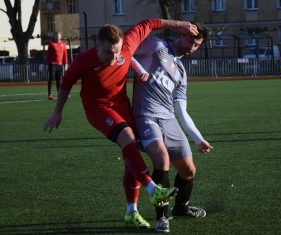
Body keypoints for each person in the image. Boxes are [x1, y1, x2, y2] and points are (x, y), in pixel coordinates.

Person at [43, 19, 199, 229]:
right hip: (98, 108)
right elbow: (65, 84)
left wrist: (178, 24)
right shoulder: (83, 60)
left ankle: (131, 212)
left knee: (131, 152)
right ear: (97, 46)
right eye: (108, 52)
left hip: (122, 106)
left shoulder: (128, 43)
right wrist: (57, 112)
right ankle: (153, 189)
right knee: (127, 137)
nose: (115, 57)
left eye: (117, 52)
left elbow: (151, 23)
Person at [129, 21, 213, 233]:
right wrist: (138, 68)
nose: (192, 46)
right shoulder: (156, 47)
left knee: (189, 171)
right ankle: (162, 218)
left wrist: (198, 138)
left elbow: (181, 111)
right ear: (181, 34)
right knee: (161, 159)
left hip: (169, 120)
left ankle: (181, 208)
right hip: (145, 116)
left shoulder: (182, 72)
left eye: (196, 44)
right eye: (190, 40)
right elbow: (126, 45)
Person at [45, 33, 68, 100]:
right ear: (54, 37)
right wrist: (47, 64)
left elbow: (65, 54)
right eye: (56, 36)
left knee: (58, 79)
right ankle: (49, 94)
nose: (57, 37)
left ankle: (59, 93)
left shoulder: (63, 44)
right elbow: (48, 54)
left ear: (60, 37)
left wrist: (66, 64)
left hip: (59, 64)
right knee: (51, 78)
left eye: (58, 36)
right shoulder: (51, 44)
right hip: (52, 64)